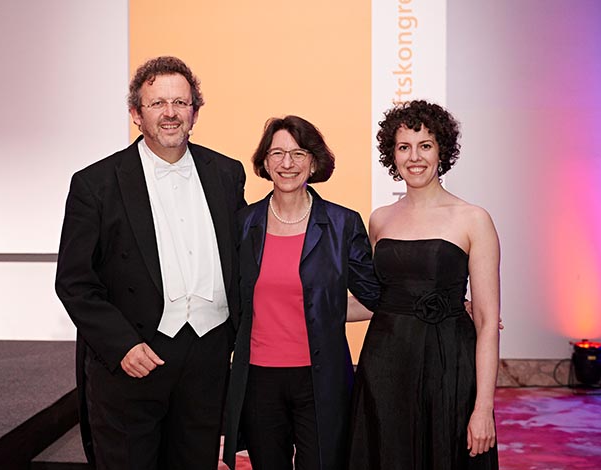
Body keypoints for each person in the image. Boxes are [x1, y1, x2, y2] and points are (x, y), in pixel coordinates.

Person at [55, 56, 246, 470]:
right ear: (135, 114)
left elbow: (241, 261)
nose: (171, 113)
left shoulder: (227, 174)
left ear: (195, 111)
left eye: (181, 102)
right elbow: (74, 281)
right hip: (134, 358)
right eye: (157, 103)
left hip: (207, 358)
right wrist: (121, 345)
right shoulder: (95, 184)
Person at [222, 115, 381, 470]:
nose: (287, 163)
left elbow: (375, 298)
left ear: (314, 161)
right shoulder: (243, 224)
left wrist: (448, 304)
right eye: (277, 153)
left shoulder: (342, 224)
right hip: (259, 378)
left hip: (320, 377)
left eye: (298, 153)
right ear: (265, 162)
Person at [348, 100, 500, 469]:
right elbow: (376, 301)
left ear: (442, 150)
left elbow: (486, 322)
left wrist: (484, 409)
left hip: (448, 368)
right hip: (384, 368)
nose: (414, 157)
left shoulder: (473, 219)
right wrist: (303, 306)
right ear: (392, 155)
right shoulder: (380, 220)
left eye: (425, 145)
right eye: (404, 147)